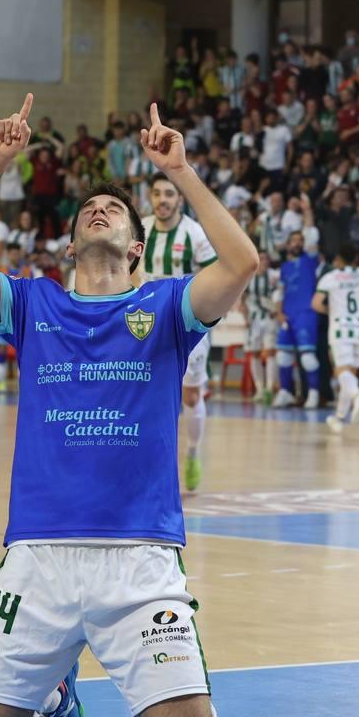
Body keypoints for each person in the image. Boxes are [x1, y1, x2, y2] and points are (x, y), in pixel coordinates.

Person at [0, 95, 255, 717]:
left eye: (114, 210)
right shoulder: (32, 302)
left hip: (139, 555)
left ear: (136, 246)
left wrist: (183, 173)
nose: (98, 211)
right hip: (40, 551)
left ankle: (165, 663)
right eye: (86, 214)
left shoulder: (166, 306)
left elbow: (241, 262)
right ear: (70, 245)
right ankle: (57, 685)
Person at [138, 173, 218, 492]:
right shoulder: (139, 229)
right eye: (157, 193)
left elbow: (215, 274)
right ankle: (152, 466)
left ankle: (193, 453)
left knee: (191, 395)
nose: (162, 200)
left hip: (187, 323)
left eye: (169, 194)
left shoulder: (195, 233)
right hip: (145, 323)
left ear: (180, 198)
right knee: (144, 395)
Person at [312, 241, 359, 432]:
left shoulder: (330, 278)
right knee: (349, 373)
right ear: (357, 258)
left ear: (338, 259)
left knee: (341, 371)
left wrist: (330, 310)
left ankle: (358, 396)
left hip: (340, 328)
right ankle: (339, 417)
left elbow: (316, 304)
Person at [272, 214, 324, 408]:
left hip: (306, 314)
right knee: (282, 356)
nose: (297, 243)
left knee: (308, 358)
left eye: (300, 240)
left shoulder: (311, 261)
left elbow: (312, 237)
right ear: (288, 245)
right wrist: (278, 312)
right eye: (294, 240)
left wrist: (308, 210)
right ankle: (286, 392)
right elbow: (280, 292)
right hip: (287, 314)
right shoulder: (284, 267)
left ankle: (314, 393)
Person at [242, 251, 280, 404]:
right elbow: (243, 298)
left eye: (266, 259)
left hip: (270, 318)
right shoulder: (248, 276)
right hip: (254, 320)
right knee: (255, 353)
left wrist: (277, 310)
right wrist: (245, 318)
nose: (263, 261)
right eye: (261, 258)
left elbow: (281, 293)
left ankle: (270, 389)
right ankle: (259, 389)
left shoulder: (274, 276)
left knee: (271, 352)